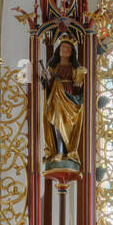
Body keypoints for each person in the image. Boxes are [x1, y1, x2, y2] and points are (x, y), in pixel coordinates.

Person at [43, 37, 86, 169]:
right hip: (56, 97)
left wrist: (79, 82)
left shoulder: (75, 68)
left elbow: (78, 88)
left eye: (68, 48)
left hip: (69, 98)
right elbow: (47, 85)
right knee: (56, 123)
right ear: (58, 50)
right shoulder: (53, 67)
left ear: (72, 52)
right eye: (62, 48)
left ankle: (69, 152)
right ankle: (59, 152)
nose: (65, 50)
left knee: (68, 125)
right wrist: (46, 77)